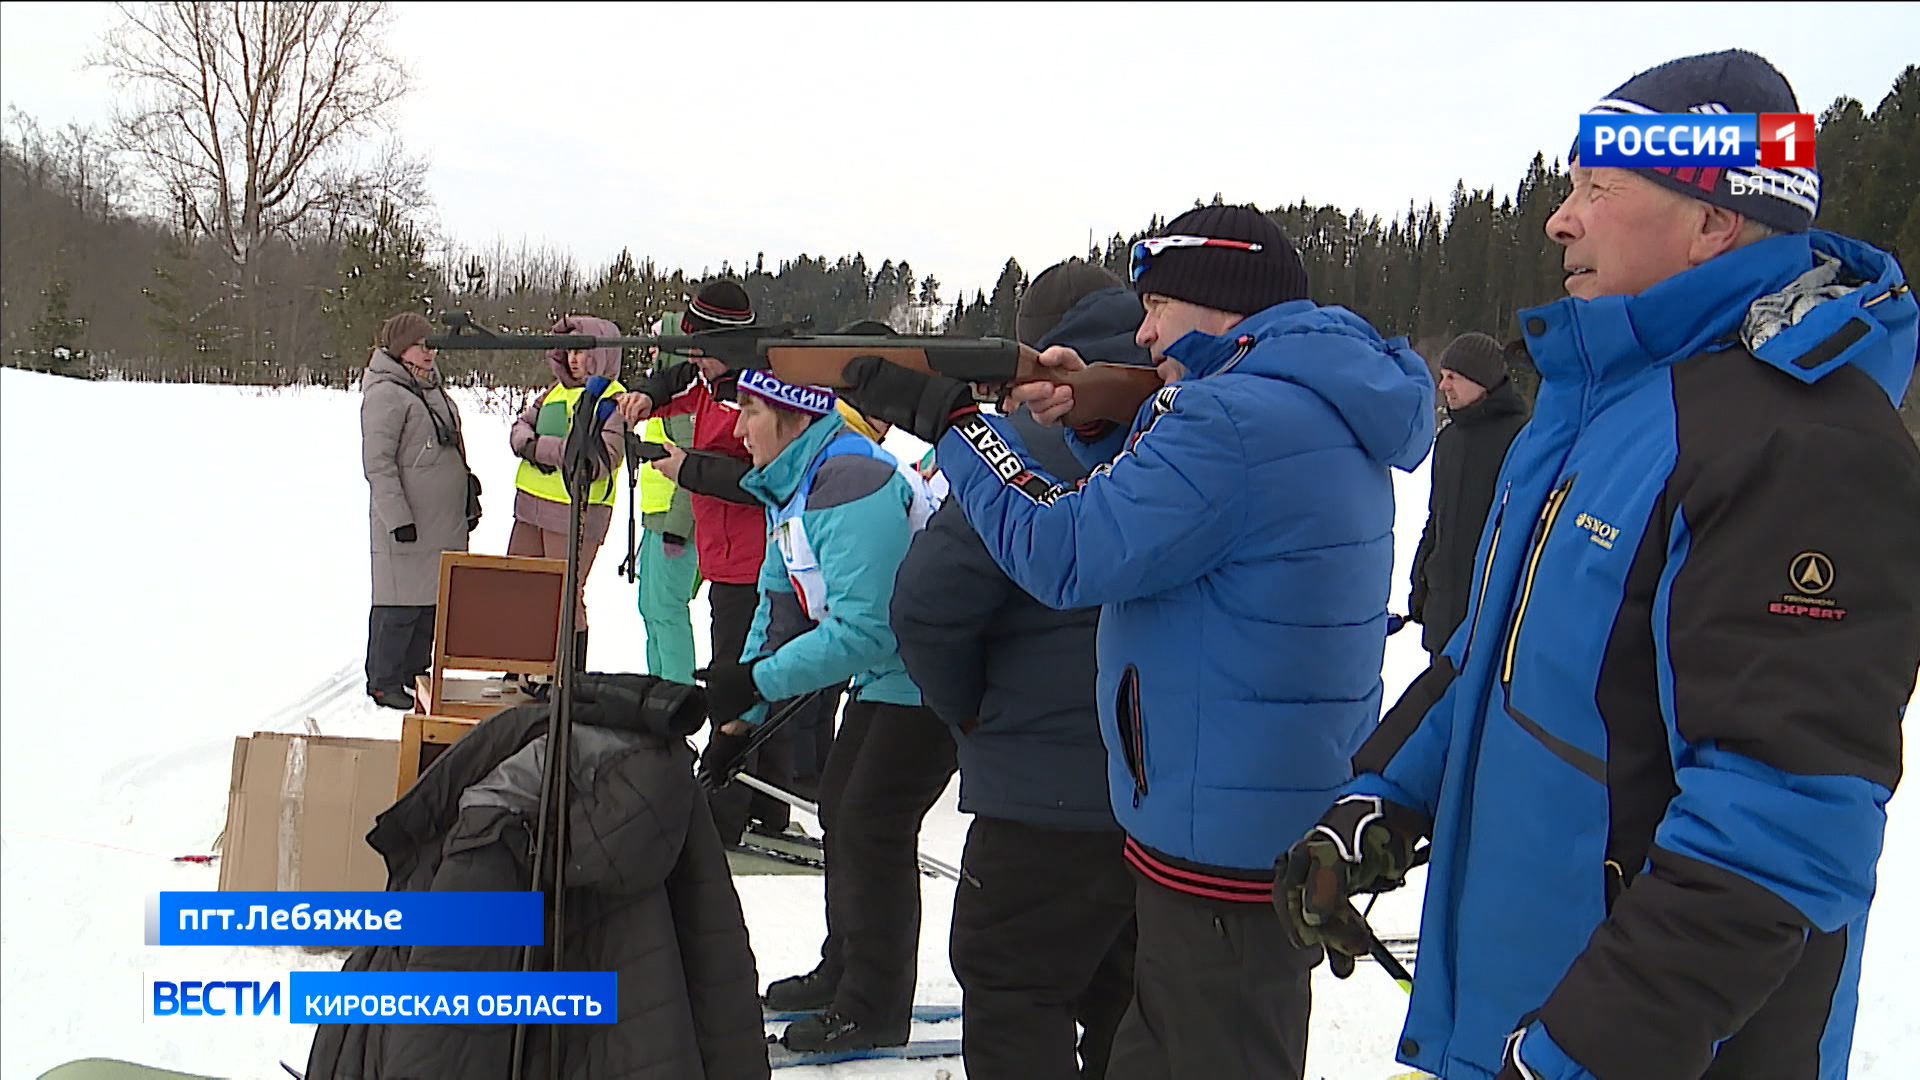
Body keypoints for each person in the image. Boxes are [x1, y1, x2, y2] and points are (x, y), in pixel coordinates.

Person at [1276, 50, 1920, 1080]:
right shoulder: (1597, 409)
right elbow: (1498, 658)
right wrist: (1380, 800)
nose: (1558, 220)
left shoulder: (1800, 440)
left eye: (1596, 189)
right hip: (1521, 1017)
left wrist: (1585, 1051)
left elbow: (1782, 822)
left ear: (1714, 218)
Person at [838, 205, 1435, 1080]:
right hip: (1253, 809)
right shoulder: (1300, 400)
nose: (1144, 329)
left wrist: (962, 430)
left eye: (1157, 304)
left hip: (1218, 835)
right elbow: (1191, 504)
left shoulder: (1231, 420)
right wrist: (1092, 419)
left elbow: (1065, 550)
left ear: (1220, 300)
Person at [889, 262, 1144, 1080]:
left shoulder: (1028, 445)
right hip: (1166, 798)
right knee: (1131, 1009)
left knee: (1015, 996)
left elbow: (926, 607)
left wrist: (967, 710)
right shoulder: (1182, 425)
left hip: (1044, 799)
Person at [698, 368, 956, 1056]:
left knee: (871, 823)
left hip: (930, 676)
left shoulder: (850, 479)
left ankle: (873, 1006)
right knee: (843, 808)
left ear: (793, 418)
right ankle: (844, 970)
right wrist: (739, 720)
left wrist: (755, 679)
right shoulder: (792, 485)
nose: (738, 429)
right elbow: (777, 612)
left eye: (750, 412)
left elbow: (867, 629)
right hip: (889, 676)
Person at [361, 312, 474, 711]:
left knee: (430, 602)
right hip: (408, 521)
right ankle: (384, 680)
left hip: (441, 521)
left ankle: (414, 671)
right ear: (398, 349)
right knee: (399, 603)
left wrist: (467, 492)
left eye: (431, 345)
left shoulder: (432, 390)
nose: (428, 353)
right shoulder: (386, 395)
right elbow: (378, 464)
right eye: (419, 346)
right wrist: (397, 518)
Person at [507, 314, 628, 670]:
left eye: (582, 350)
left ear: (602, 353)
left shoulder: (613, 400)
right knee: (519, 587)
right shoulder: (553, 391)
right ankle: (522, 667)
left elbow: (597, 458)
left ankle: (569, 675)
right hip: (530, 508)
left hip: (576, 512)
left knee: (564, 596)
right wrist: (535, 445)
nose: (574, 359)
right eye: (570, 350)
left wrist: (538, 448)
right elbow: (519, 428)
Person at [1406, 331, 1532, 655]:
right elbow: (1437, 519)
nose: (1443, 386)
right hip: (1443, 618)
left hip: (1494, 625)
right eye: (1442, 376)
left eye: (1453, 377)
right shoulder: (1448, 440)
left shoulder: (1523, 439)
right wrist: (1421, 579)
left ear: (1482, 381)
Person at [633, 316, 702, 686]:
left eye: (656, 342)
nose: (650, 350)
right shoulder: (665, 396)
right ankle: (658, 687)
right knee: (650, 608)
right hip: (656, 522)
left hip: (676, 528)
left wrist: (677, 528)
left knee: (667, 610)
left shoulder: (685, 402)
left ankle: (677, 692)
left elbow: (692, 465)